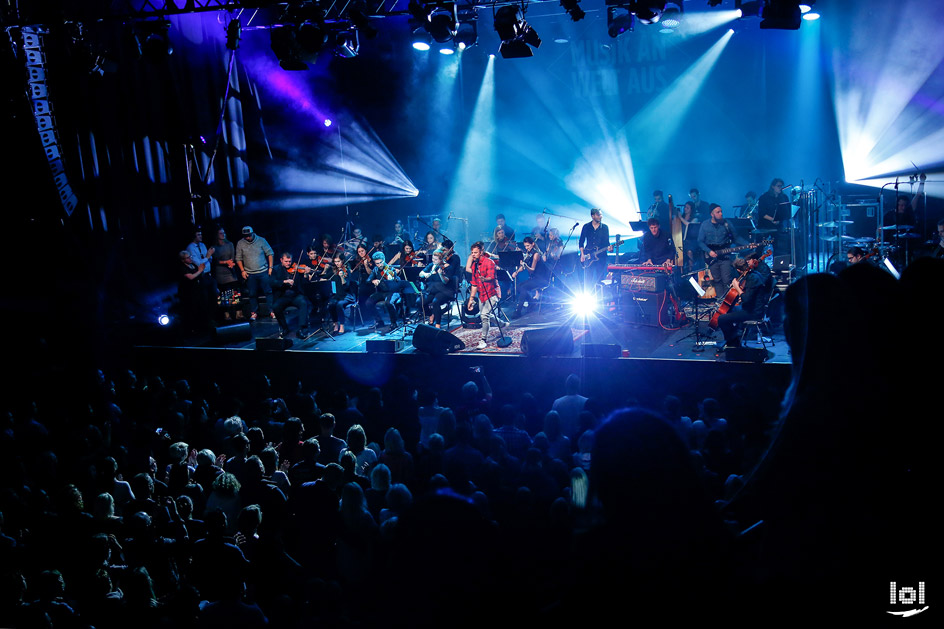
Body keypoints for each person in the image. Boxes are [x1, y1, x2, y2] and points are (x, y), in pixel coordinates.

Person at [716, 257, 767, 351]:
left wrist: (737, 287)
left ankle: (733, 343)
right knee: (728, 310)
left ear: (738, 270)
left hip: (753, 312)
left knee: (721, 319)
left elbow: (746, 299)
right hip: (751, 308)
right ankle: (735, 336)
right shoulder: (753, 275)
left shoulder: (752, 278)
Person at [697, 204, 747, 295]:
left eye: (721, 211)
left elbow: (737, 238)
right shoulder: (705, 225)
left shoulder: (727, 224)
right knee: (717, 280)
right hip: (712, 257)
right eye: (718, 212)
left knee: (726, 280)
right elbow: (700, 241)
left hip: (725, 255)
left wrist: (748, 244)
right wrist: (709, 251)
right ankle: (720, 302)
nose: (721, 214)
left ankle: (727, 302)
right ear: (712, 214)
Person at [466, 241, 501, 350]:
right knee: (485, 315)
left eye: (475, 252)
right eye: (472, 252)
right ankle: (503, 324)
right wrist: (471, 299)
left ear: (481, 252)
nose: (473, 254)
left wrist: (484, 279)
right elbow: (474, 284)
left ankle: (483, 340)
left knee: (484, 316)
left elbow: (491, 277)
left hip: (493, 293)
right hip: (482, 294)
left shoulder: (489, 262)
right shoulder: (474, 265)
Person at [235, 226, 274, 320]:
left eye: (248, 235)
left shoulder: (261, 240)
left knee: (268, 292)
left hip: (263, 271)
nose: (247, 237)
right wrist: (242, 271)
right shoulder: (240, 243)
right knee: (252, 293)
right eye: (245, 236)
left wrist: (270, 267)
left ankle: (272, 311)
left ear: (252, 233)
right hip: (250, 273)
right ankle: (254, 312)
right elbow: (238, 258)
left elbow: (270, 253)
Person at [270, 252, 311, 339]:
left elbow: (304, 282)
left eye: (290, 261)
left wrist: (306, 274)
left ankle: (301, 329)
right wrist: (284, 281)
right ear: (281, 260)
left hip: (295, 295)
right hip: (283, 296)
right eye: (286, 261)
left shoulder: (296, 268)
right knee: (276, 307)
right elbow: (272, 282)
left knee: (303, 303)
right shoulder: (276, 269)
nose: (289, 263)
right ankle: (284, 328)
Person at [420, 248, 459, 328]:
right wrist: (425, 274)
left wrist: (441, 275)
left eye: (436, 259)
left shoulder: (447, 267)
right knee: (420, 301)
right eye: (433, 258)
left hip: (444, 290)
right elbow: (421, 273)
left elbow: (446, 282)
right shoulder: (431, 265)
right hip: (433, 289)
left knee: (435, 302)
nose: (433, 260)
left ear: (441, 260)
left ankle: (438, 324)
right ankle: (431, 314)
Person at [511, 236, 548, 318]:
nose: (527, 248)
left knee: (524, 287)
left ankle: (518, 310)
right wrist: (516, 272)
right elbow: (523, 266)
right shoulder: (529, 254)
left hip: (540, 279)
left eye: (528, 246)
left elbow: (532, 269)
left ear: (533, 244)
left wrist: (526, 266)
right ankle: (532, 302)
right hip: (534, 278)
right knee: (518, 287)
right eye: (525, 246)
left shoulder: (536, 254)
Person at [178, 250, 213, 333]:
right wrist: (200, 270)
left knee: (203, 307)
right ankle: (193, 329)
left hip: (198, 290)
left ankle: (204, 326)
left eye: (190, 257)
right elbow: (191, 277)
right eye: (187, 258)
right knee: (192, 310)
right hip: (189, 293)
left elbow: (199, 275)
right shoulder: (183, 268)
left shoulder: (192, 265)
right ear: (183, 260)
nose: (190, 259)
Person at [579, 207, 612, 287]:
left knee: (600, 280)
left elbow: (607, 243)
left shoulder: (605, 228)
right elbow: (581, 241)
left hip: (601, 258)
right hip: (588, 256)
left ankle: (600, 296)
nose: (601, 216)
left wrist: (610, 249)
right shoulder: (586, 226)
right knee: (588, 280)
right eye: (598, 215)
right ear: (593, 216)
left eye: (601, 215)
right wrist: (582, 254)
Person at [326, 254, 356, 334]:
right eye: (335, 261)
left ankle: (342, 325)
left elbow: (346, 286)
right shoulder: (333, 270)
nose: (337, 263)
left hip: (347, 295)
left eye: (338, 261)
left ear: (342, 261)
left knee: (339, 305)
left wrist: (342, 277)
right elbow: (324, 278)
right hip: (337, 295)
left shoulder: (347, 270)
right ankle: (335, 324)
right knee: (331, 305)